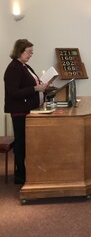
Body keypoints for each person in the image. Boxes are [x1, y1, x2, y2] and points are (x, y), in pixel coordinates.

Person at [4, 39, 48, 184]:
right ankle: (20, 174)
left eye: (31, 52)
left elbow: (32, 83)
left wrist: (43, 84)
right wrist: (36, 89)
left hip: (28, 109)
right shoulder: (13, 68)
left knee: (26, 142)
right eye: (28, 52)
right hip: (19, 111)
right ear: (19, 51)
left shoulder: (24, 66)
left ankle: (24, 171)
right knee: (21, 143)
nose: (31, 54)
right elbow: (13, 92)